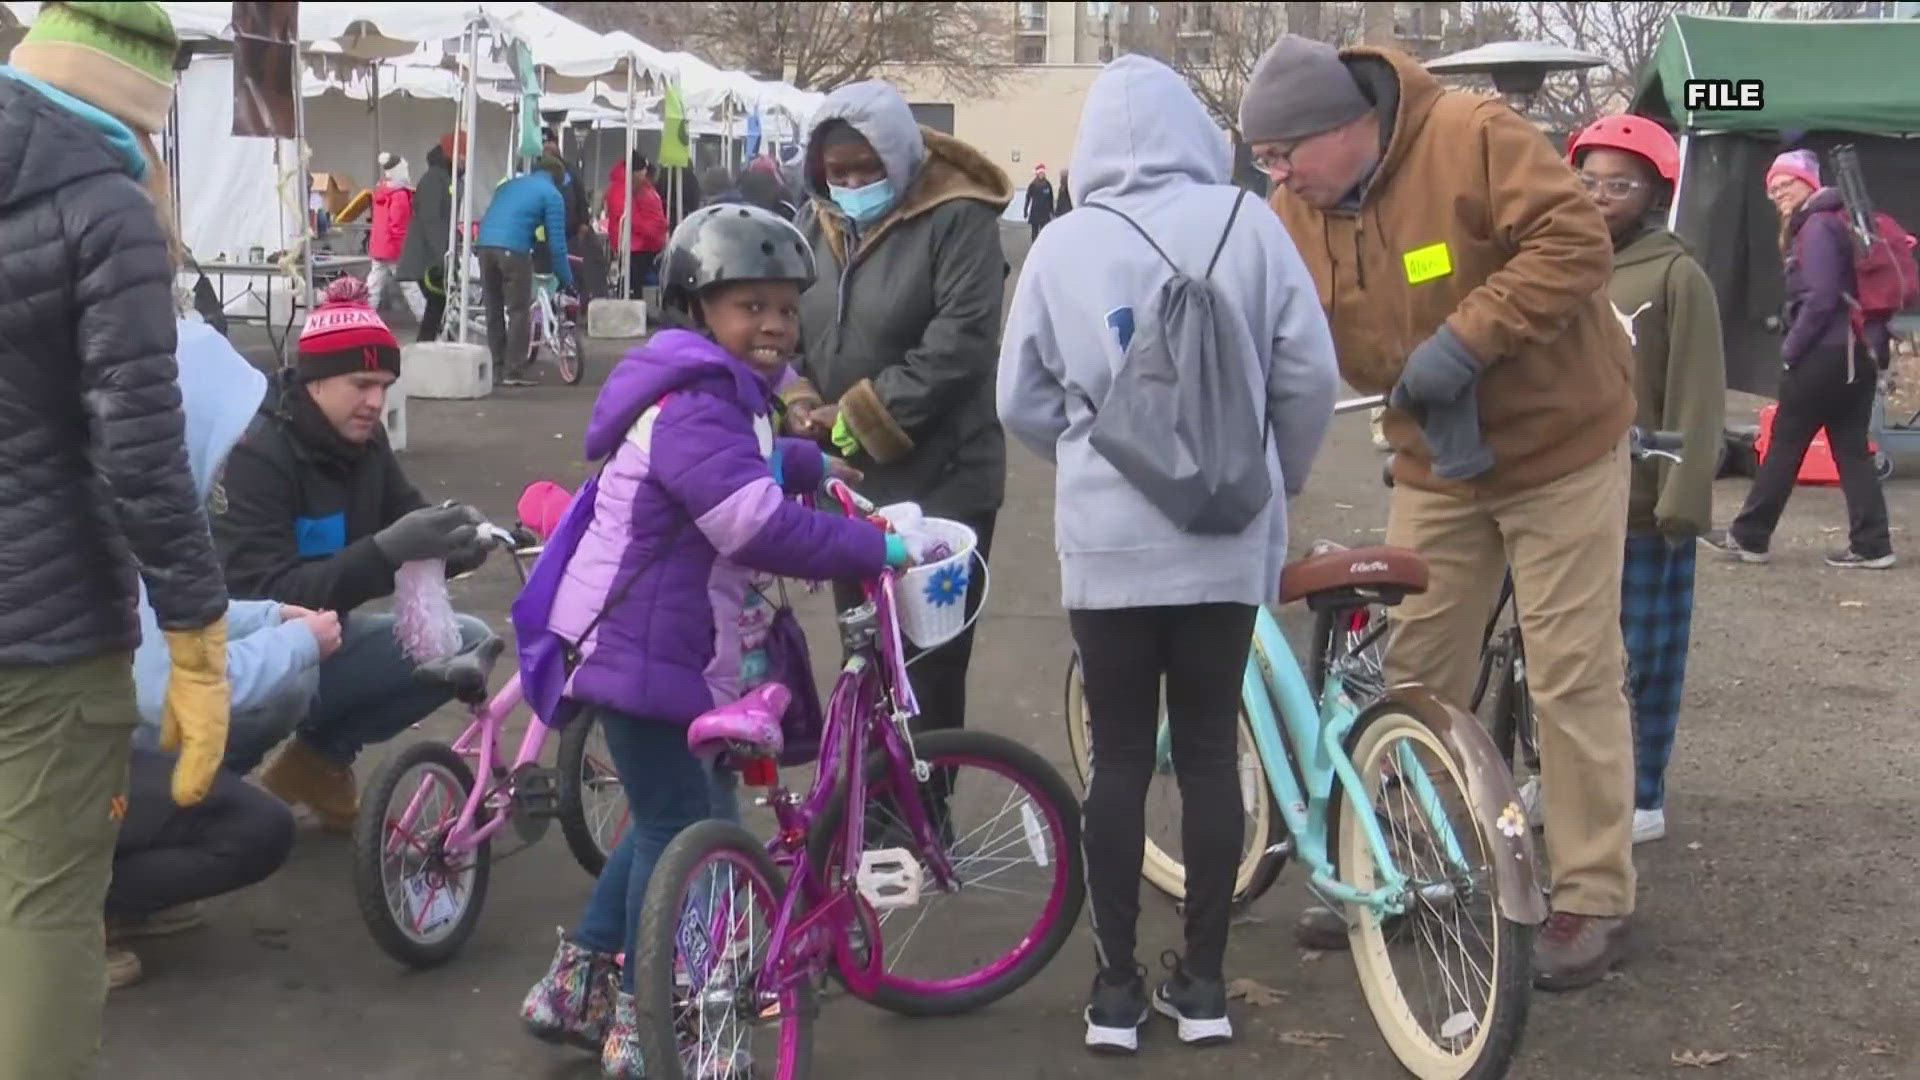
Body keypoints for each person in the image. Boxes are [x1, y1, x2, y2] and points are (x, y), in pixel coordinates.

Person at [1240, 34, 1640, 989]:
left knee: (1570, 669)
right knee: (1415, 665)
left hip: (1559, 447)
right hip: (1435, 463)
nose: (1279, 176)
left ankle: (1592, 893)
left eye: (1285, 153)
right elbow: (1271, 323)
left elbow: (1574, 242)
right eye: (1265, 162)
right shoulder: (1292, 208)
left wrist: (1467, 340)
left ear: (1350, 127)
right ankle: (1402, 866)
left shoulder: (1473, 134)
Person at [515, 205, 911, 1078]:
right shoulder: (699, 400)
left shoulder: (721, 392)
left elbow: (756, 461)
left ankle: (578, 989)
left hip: (650, 641)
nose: (771, 325)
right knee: (681, 827)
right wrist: (875, 549)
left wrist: (817, 467)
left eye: (783, 307)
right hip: (645, 649)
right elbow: (753, 524)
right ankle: (657, 1019)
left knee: (666, 821)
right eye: (748, 308)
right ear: (701, 310)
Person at [997, 55, 1340, 1053]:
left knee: (1115, 758)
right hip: (1226, 535)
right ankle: (1206, 987)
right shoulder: (1253, 223)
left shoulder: (1063, 245)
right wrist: (1279, 477)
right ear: (1196, 129)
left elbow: (1018, 396)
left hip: (1108, 541)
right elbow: (1308, 375)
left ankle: (1113, 991)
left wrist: (1085, 442)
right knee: (1204, 754)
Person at [0, 4, 232, 1073]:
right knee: (45, 907)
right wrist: (197, 631)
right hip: (44, 628)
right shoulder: (105, 208)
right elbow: (141, 449)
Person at [783, 80, 1013, 760]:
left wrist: (854, 416)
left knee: (927, 664)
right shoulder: (813, 226)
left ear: (899, 157)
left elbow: (961, 341)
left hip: (944, 480)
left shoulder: (958, 218)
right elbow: (786, 323)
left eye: (866, 168)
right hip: (851, 488)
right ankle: (871, 820)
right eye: (838, 171)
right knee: (865, 655)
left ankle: (925, 823)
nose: (852, 183)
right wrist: (795, 398)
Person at [211, 277, 492, 832]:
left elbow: (406, 518)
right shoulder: (254, 452)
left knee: (467, 640)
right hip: (230, 657)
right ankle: (196, 799)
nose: (375, 402)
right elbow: (260, 598)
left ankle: (317, 762)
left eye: (384, 385)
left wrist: (456, 544)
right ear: (315, 382)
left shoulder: (362, 441)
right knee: (288, 679)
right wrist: (386, 552)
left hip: (322, 644)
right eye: (361, 383)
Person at [1569, 116, 1727, 845]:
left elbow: (1698, 391)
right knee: (1568, 657)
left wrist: (1683, 497)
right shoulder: (1560, 261)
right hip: (1563, 497)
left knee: (1647, 657)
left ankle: (1643, 793)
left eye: (1620, 184)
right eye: (1589, 181)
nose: (1602, 196)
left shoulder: (1675, 274)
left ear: (1655, 192)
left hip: (1641, 502)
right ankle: (1572, 781)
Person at [1711, 149, 1895, 570]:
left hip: (1823, 356)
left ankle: (1749, 537)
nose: (1778, 193)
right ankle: (1873, 544)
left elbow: (1821, 297)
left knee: (1784, 448)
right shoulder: (1839, 222)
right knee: (1851, 450)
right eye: (1773, 188)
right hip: (1857, 353)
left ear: (1808, 183)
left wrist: (1791, 351)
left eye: (1786, 184)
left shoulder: (1815, 228)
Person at [476, 156, 575, 386]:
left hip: (484, 246)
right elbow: (557, 244)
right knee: (518, 311)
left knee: (493, 308)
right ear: (558, 179)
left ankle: (496, 365)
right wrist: (566, 278)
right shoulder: (552, 195)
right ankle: (513, 370)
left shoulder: (509, 185)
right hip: (514, 249)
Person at [397, 132, 464, 342]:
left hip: (434, 256)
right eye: (462, 155)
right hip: (428, 259)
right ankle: (426, 351)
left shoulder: (447, 179)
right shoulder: (435, 179)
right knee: (437, 307)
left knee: (437, 310)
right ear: (451, 154)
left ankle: (432, 350)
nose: (465, 160)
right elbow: (431, 220)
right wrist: (444, 256)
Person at [365, 151, 423, 323]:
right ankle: (427, 319)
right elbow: (398, 226)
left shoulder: (381, 191)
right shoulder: (399, 195)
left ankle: (364, 317)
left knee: (373, 285)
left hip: (379, 246)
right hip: (395, 248)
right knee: (409, 285)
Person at [606, 151, 667, 296]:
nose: (644, 173)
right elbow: (626, 215)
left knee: (637, 283)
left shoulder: (635, 187)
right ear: (635, 171)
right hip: (634, 246)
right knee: (633, 284)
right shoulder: (623, 187)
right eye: (642, 170)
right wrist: (652, 229)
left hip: (641, 244)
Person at [1025, 162, 1056, 239]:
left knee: (1044, 232)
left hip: (1045, 212)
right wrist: (1025, 210)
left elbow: (1050, 199)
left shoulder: (1047, 184)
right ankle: (1034, 246)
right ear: (1037, 174)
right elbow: (1028, 197)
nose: (1041, 175)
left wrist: (1051, 211)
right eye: (1040, 173)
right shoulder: (1033, 185)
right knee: (1035, 232)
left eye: (1043, 173)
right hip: (1035, 211)